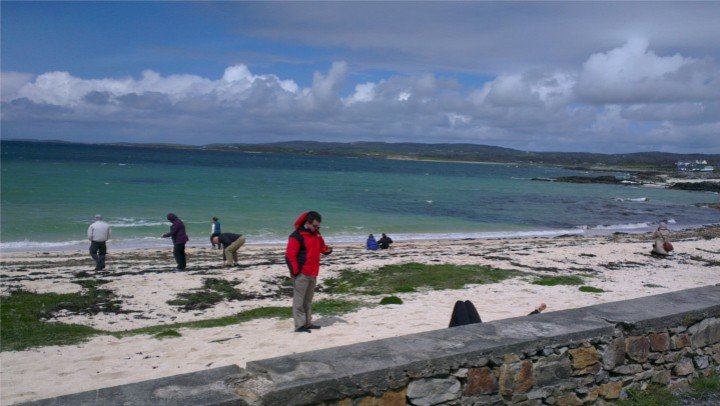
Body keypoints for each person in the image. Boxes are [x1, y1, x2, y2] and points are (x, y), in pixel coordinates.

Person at [285, 211, 333, 333]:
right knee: (299, 301)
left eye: (318, 226)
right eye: (315, 225)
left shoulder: (316, 234)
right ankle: (299, 325)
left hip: (313, 272)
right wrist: (295, 272)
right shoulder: (296, 236)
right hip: (301, 273)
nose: (316, 228)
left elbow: (321, 247)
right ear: (307, 223)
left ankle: (307, 323)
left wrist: (327, 250)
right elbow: (290, 256)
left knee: (308, 300)